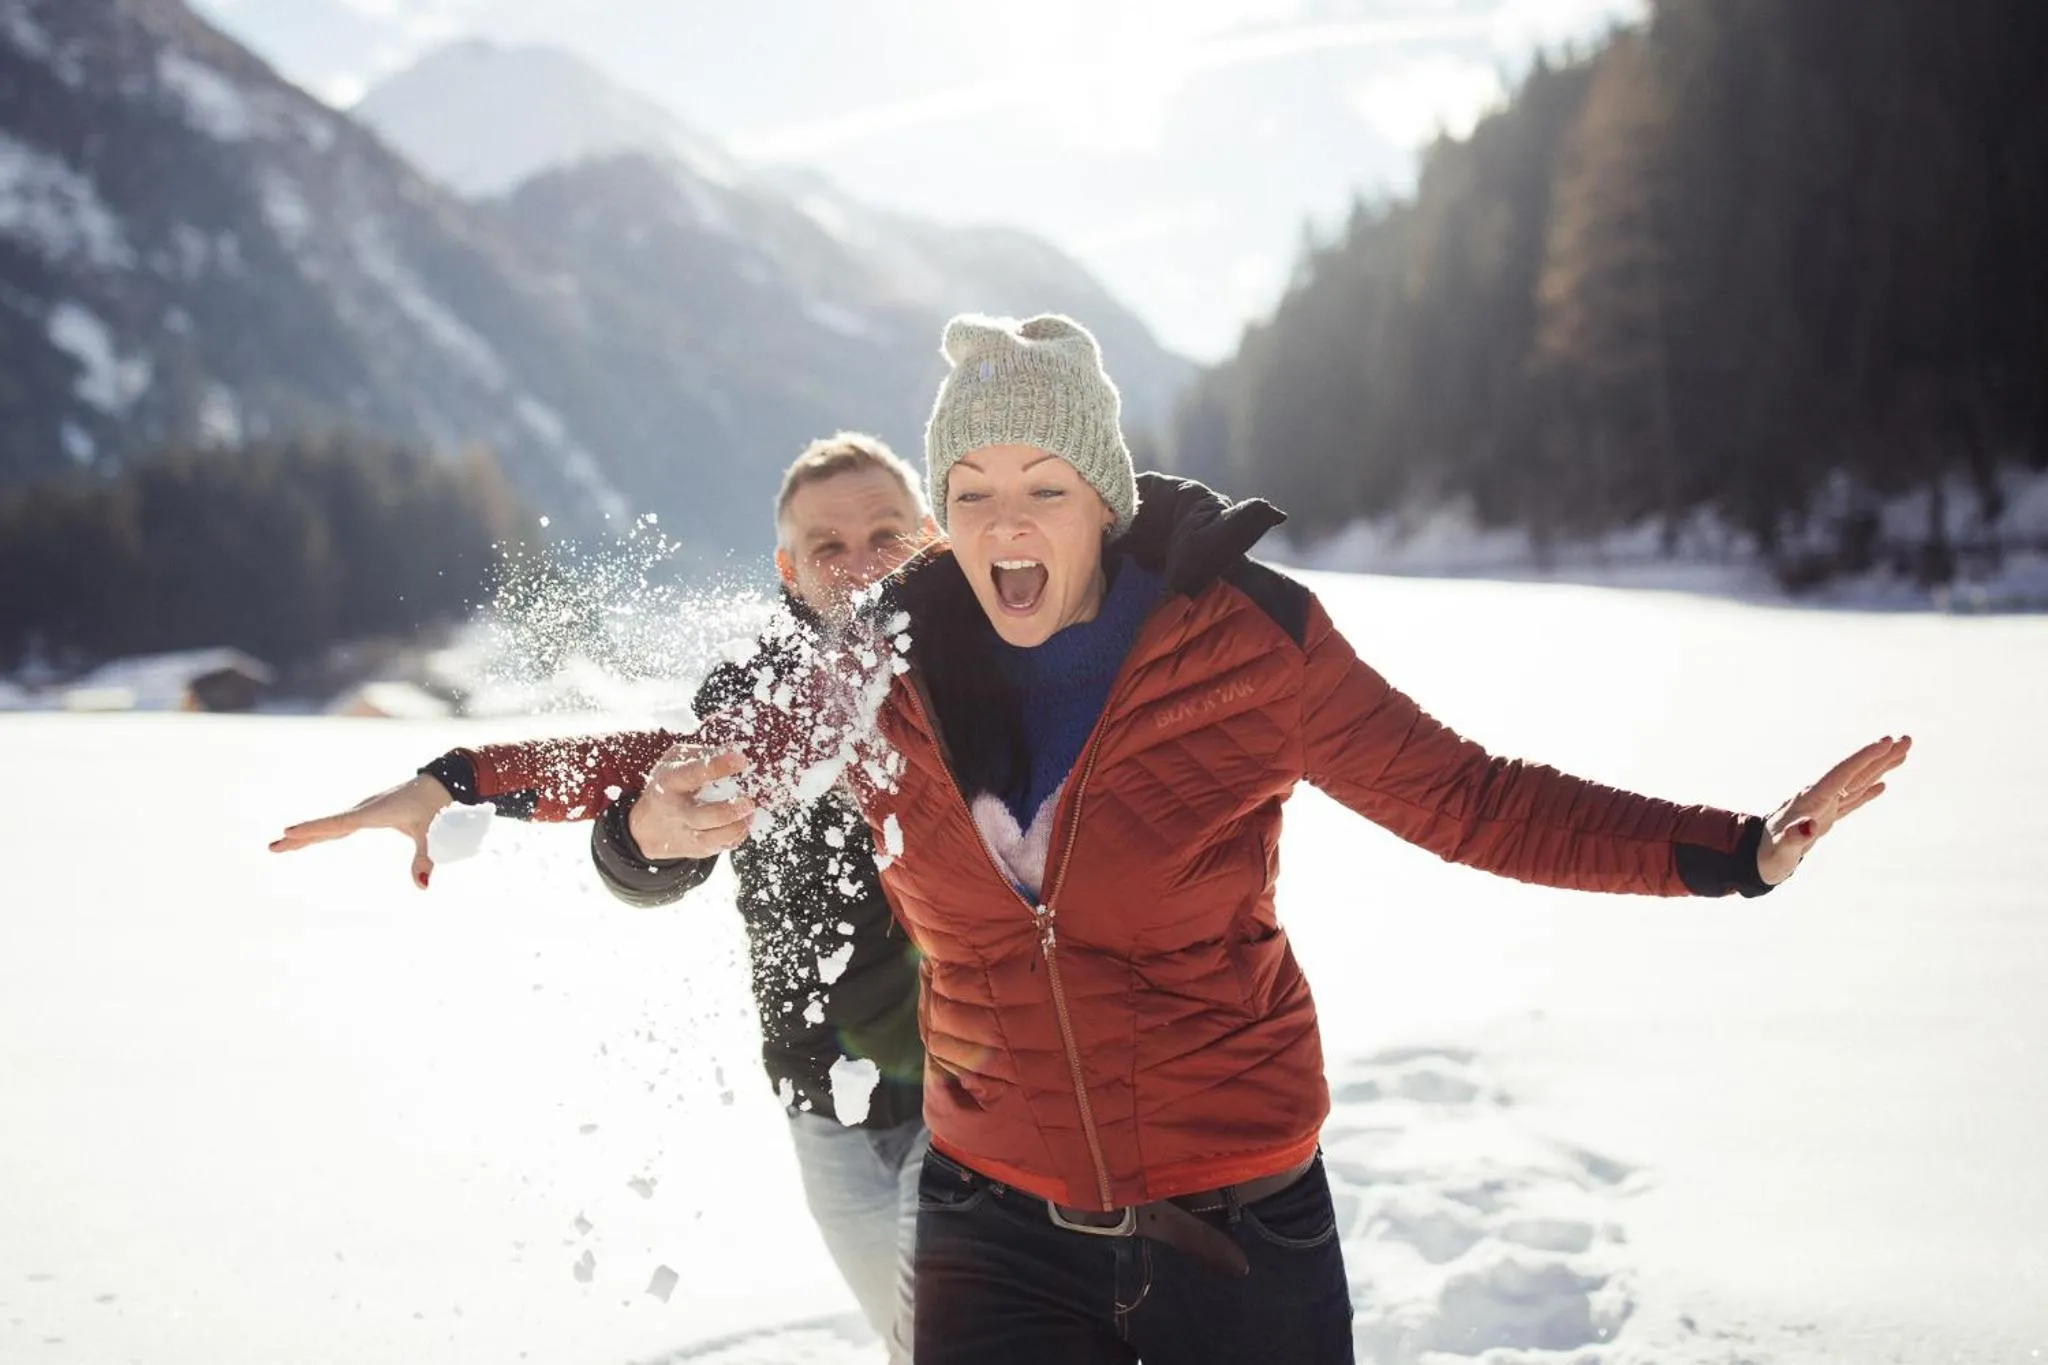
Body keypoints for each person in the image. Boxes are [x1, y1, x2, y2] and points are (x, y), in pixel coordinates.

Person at [276, 314, 1911, 1365]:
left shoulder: (1246, 645)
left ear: (1103, 497)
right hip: (979, 1200)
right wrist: (469, 777)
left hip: (1232, 1202)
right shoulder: (872, 666)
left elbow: (1467, 798)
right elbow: (676, 767)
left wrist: (1730, 849)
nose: (994, 518)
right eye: (965, 482)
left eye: (1036, 482)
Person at [277, 434, 938, 1363]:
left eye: (887, 534)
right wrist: (466, 780)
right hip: (819, 1093)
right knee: (909, 1337)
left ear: (932, 534)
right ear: (789, 569)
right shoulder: (756, 696)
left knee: (964, 1332)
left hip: (965, 1088)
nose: (862, 564)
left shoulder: (974, 675)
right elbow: (638, 785)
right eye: (829, 547)